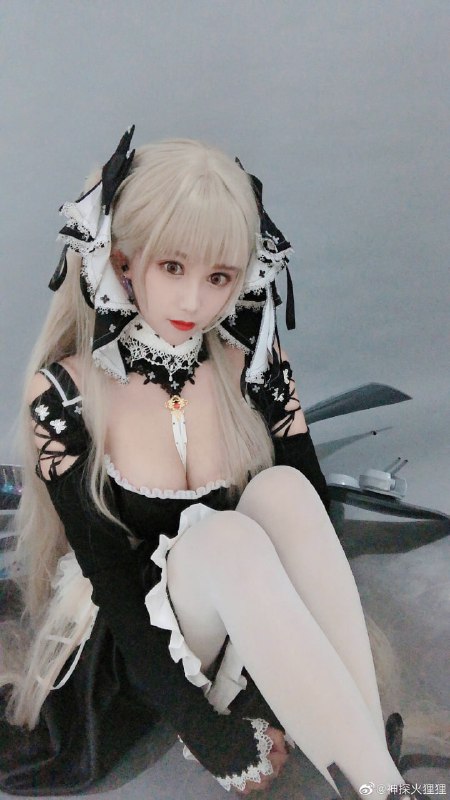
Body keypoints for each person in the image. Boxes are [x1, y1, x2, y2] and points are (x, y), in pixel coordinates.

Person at [0, 128, 440, 797]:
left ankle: (375, 771)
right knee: (224, 535)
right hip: (140, 650)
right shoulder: (65, 394)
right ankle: (385, 788)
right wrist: (205, 730)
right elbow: (112, 582)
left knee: (284, 489)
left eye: (218, 278)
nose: (194, 303)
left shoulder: (249, 364)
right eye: (172, 268)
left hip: (249, 622)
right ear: (123, 261)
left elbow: (310, 528)